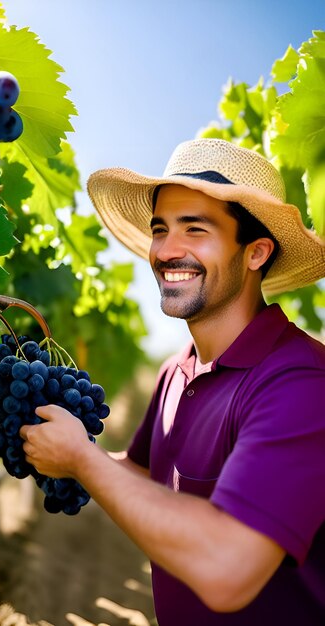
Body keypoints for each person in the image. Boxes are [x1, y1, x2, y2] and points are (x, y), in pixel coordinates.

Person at [20, 138, 325, 625]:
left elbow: (229, 566)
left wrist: (80, 457)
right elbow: (145, 474)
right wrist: (70, 453)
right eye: (160, 229)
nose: (166, 250)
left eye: (195, 229)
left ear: (256, 253)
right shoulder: (176, 369)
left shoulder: (301, 383)